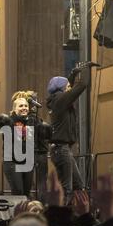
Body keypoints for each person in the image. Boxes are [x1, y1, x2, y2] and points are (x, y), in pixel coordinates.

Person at [47, 63, 94, 204]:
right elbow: (81, 86)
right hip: (62, 150)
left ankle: (77, 215)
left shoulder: (58, 99)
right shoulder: (60, 99)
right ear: (61, 88)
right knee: (67, 188)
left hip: (62, 149)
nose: (69, 87)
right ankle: (62, 218)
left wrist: (73, 74)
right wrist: (87, 68)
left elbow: (71, 87)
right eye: (67, 85)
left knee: (78, 185)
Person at [0, 97, 49, 198]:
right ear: (14, 109)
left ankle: (24, 213)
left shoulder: (32, 120)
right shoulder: (8, 120)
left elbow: (42, 136)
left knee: (26, 193)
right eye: (21, 106)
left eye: (26, 106)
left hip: (28, 162)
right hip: (12, 162)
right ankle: (17, 213)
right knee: (18, 192)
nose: (24, 108)